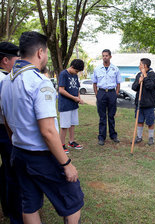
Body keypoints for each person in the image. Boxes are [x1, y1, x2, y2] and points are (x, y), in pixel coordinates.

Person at [0, 31, 84, 224]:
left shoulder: (5, 82)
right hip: (41, 156)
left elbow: (6, 121)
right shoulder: (39, 82)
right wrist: (66, 164)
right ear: (40, 53)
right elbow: (47, 131)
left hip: (19, 153)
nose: (46, 57)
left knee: (28, 204)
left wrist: (17, 143)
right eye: (45, 53)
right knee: (73, 200)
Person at [0, 42, 23, 223]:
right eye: (17, 58)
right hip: (4, 130)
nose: (19, 60)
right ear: (6, 60)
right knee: (12, 172)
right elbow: (7, 112)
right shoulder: (5, 80)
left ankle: (7, 207)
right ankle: (16, 215)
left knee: (5, 171)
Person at [92, 49, 121, 146]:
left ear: (110, 57)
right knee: (102, 116)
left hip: (112, 93)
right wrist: (97, 94)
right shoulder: (97, 69)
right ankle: (101, 137)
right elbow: (94, 83)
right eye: (103, 55)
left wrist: (116, 93)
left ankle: (113, 135)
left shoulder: (115, 69)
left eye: (106, 55)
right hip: (101, 92)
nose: (105, 57)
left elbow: (118, 83)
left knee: (111, 115)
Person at [58, 59, 84, 153]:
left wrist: (79, 98)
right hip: (65, 104)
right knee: (65, 125)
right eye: (76, 71)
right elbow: (61, 90)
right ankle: (61, 145)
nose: (76, 73)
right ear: (72, 67)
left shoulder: (75, 75)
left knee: (72, 124)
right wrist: (74, 98)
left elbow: (77, 88)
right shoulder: (63, 74)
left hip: (74, 104)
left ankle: (71, 142)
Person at [132, 58, 155, 145]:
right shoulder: (138, 75)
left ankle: (151, 138)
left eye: (140, 65)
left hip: (149, 104)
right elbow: (134, 87)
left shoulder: (153, 75)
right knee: (139, 121)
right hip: (140, 103)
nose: (139, 66)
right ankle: (139, 137)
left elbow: (150, 86)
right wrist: (139, 82)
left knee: (150, 122)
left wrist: (145, 76)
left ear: (145, 66)